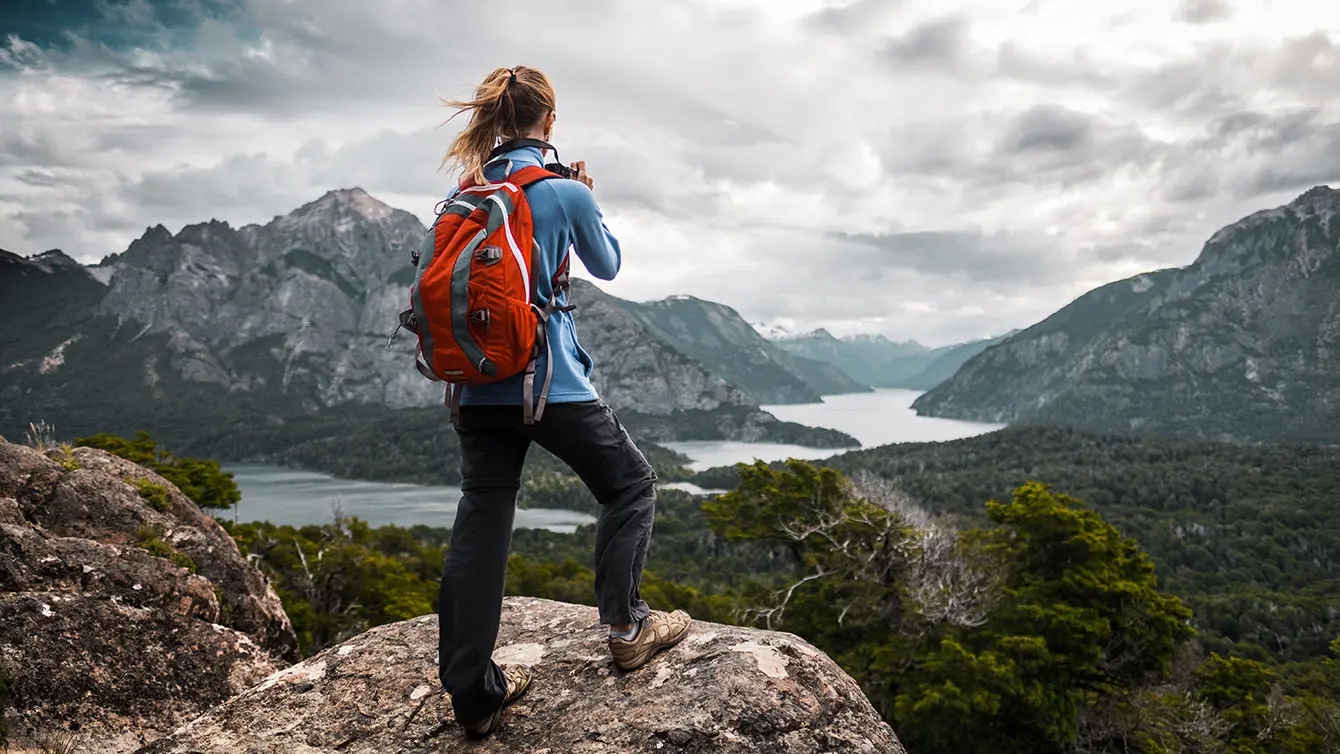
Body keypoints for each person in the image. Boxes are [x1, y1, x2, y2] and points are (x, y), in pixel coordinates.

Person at [432, 65, 692, 740]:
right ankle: (627, 628)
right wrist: (582, 197)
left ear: (491, 121)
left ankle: (473, 692)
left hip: (474, 383)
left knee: (483, 514)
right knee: (631, 482)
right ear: (549, 121)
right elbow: (607, 264)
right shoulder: (559, 191)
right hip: (549, 382)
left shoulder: (465, 194)